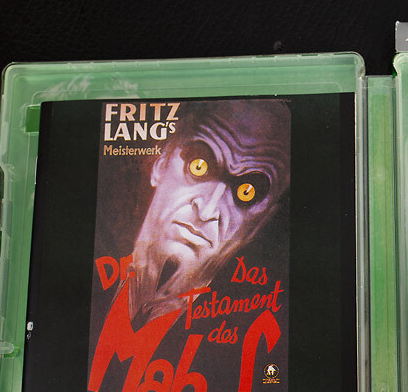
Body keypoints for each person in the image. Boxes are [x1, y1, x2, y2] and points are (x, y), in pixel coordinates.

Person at [125, 99, 291, 326]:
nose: (207, 211)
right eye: (199, 166)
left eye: (246, 192)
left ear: (259, 223)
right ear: (161, 163)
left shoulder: (241, 326)